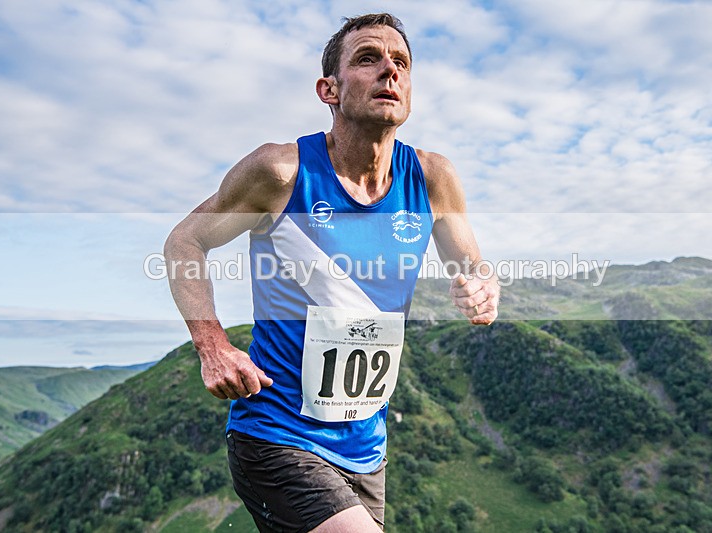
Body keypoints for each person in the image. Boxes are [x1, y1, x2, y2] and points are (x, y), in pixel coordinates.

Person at [164, 13, 500, 532]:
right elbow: (185, 240)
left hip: (367, 450)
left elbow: (474, 269)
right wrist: (211, 344)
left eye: (401, 63)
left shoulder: (433, 179)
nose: (390, 69)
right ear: (330, 89)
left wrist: (482, 290)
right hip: (276, 435)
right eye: (368, 58)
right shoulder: (281, 173)